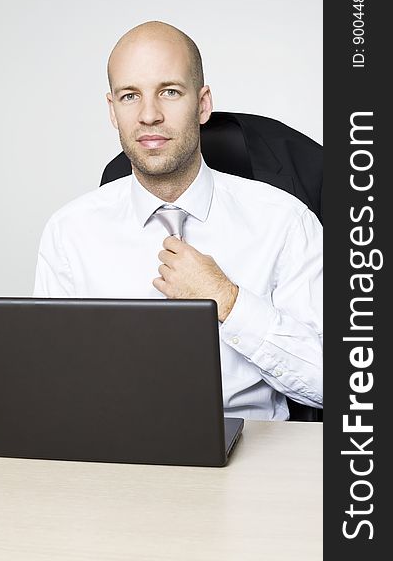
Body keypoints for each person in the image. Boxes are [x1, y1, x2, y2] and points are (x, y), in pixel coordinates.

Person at [34, 21, 323, 420]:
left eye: (169, 92)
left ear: (202, 104)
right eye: (130, 96)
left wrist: (228, 300)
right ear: (112, 110)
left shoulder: (286, 221)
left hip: (254, 452)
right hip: (117, 452)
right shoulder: (69, 232)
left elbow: (330, 382)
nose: (149, 115)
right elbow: (51, 378)